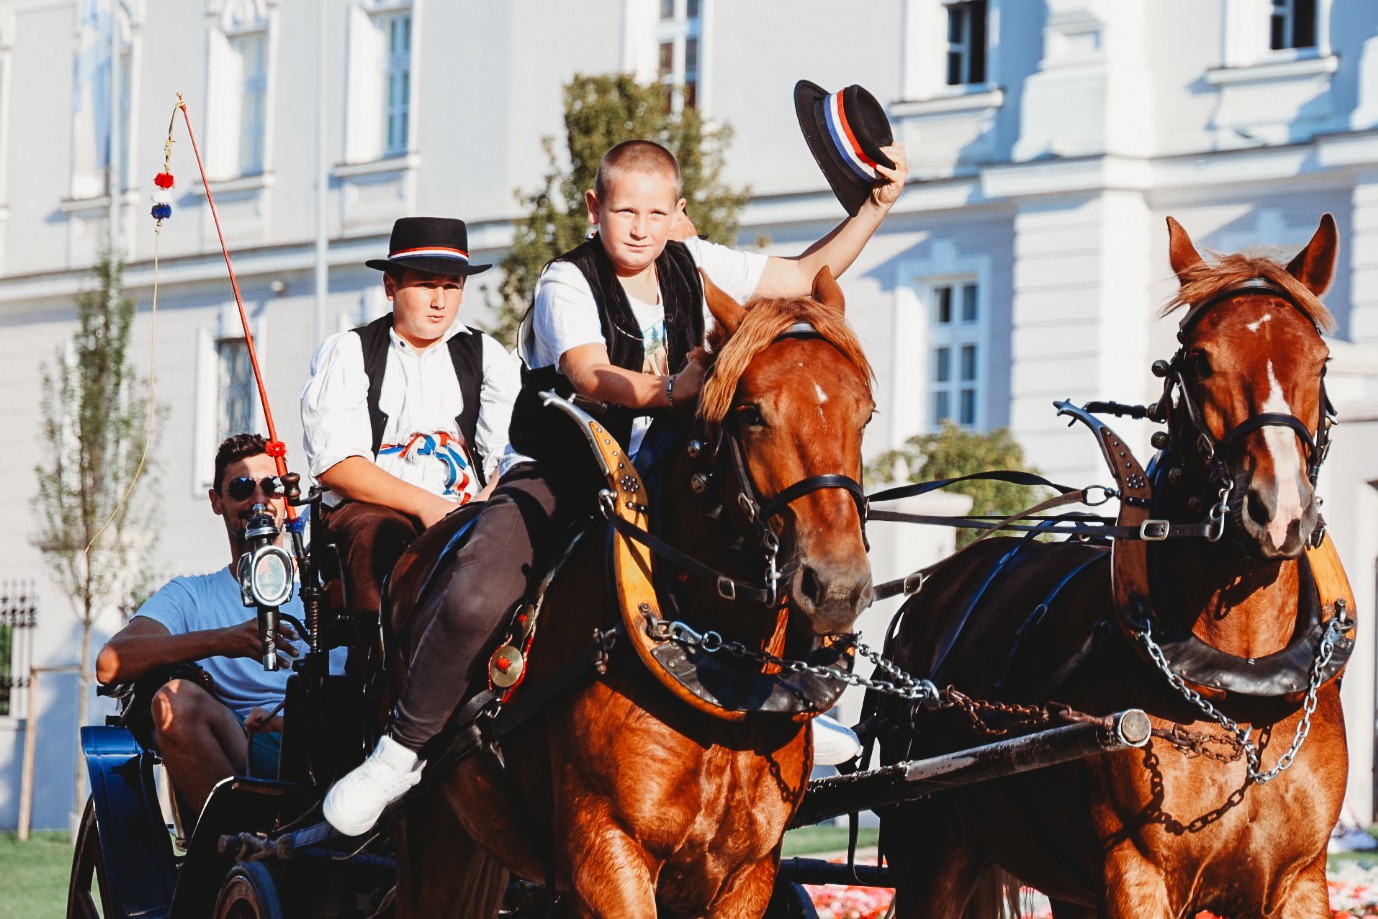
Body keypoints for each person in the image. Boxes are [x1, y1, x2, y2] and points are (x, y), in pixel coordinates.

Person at [323, 135, 908, 836]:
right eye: (625, 211)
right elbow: (589, 373)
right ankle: (401, 749)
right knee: (476, 587)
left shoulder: (693, 263)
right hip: (564, 469)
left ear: (677, 212)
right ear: (595, 208)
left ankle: (787, 701)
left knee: (770, 528)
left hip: (663, 466)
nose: (640, 228)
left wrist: (874, 208)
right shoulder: (566, 281)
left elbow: (808, 274)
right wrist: (675, 389)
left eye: (657, 214)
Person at [300, 217, 520, 628]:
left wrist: (480, 506)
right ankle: (376, 657)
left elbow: (509, 453)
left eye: (451, 286)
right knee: (374, 534)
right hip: (375, 510)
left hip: (471, 508)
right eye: (425, 284)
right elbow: (337, 464)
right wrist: (426, 506)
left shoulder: (487, 354)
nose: (439, 301)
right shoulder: (350, 351)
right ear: (391, 286)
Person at [95, 433, 320, 813]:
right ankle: (232, 840)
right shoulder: (192, 595)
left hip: (327, 745)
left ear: (287, 497)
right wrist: (223, 641)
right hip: (240, 752)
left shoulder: (323, 587)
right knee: (174, 701)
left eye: (272, 486)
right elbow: (109, 663)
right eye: (242, 487)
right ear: (217, 501)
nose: (260, 500)